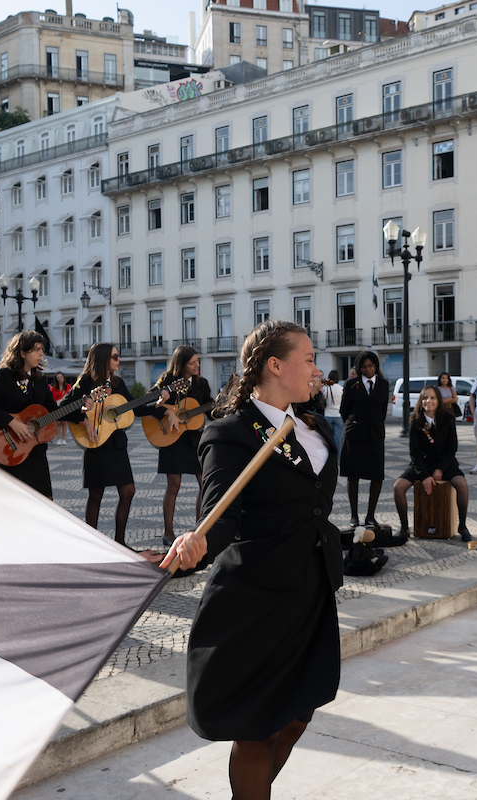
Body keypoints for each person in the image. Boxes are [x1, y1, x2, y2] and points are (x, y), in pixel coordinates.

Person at [161, 320, 341, 800]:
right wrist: (197, 544)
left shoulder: (311, 423)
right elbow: (219, 515)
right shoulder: (231, 434)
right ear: (275, 365)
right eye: (308, 359)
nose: (317, 369)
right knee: (259, 728)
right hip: (258, 599)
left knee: (299, 713)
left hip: (310, 589)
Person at [0, 331, 90, 499]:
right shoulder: (5, 376)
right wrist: (12, 422)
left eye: (42, 349)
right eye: (36, 349)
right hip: (11, 449)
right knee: (17, 505)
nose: (41, 354)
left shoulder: (40, 380)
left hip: (36, 453)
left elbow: (53, 411)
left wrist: (81, 409)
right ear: (22, 352)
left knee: (44, 503)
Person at [65, 343, 157, 547]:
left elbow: (135, 407)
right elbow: (63, 406)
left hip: (116, 446)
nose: (119, 360)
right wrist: (83, 418)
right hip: (96, 444)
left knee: (128, 491)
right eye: (115, 356)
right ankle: (91, 544)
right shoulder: (85, 381)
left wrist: (157, 405)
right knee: (96, 494)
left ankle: (120, 542)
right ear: (104, 358)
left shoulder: (118, 383)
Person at [147, 345, 213, 545]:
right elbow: (148, 403)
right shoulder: (167, 381)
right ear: (182, 364)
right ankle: (168, 532)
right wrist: (167, 412)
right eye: (193, 363)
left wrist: (224, 408)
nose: (197, 365)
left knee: (205, 483)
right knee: (173, 486)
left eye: (198, 362)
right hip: (171, 438)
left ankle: (199, 530)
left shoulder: (202, 384)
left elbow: (210, 411)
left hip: (194, 441)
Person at [393, 386, 472, 541]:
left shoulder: (448, 419)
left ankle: (462, 526)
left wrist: (440, 469)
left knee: (462, 485)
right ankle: (404, 528)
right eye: (425, 398)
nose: (428, 401)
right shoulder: (415, 420)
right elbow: (414, 453)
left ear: (438, 400)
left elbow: (452, 449)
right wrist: (423, 476)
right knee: (398, 487)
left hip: (445, 463)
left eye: (432, 398)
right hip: (422, 464)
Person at [339, 350, 388, 527]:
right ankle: (354, 516)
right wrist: (355, 423)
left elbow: (382, 410)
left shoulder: (383, 384)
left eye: (371, 366)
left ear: (376, 366)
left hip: (375, 435)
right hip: (354, 435)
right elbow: (344, 410)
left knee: (377, 476)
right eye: (364, 366)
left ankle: (370, 516)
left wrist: (374, 423)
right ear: (359, 368)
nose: (368, 369)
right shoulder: (351, 384)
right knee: (353, 475)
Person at [321, 370, 344, 451]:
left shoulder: (325, 389)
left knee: (328, 439)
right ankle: (338, 458)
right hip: (338, 415)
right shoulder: (341, 389)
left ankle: (330, 458)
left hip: (327, 414)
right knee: (339, 439)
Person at [50, 371, 71, 444]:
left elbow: (70, 395)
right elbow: (51, 397)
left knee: (64, 422)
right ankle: (59, 439)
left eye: (61, 377)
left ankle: (64, 439)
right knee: (58, 423)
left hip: (65, 405)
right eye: (58, 378)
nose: (60, 379)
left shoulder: (68, 386)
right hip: (57, 405)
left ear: (63, 377)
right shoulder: (53, 388)